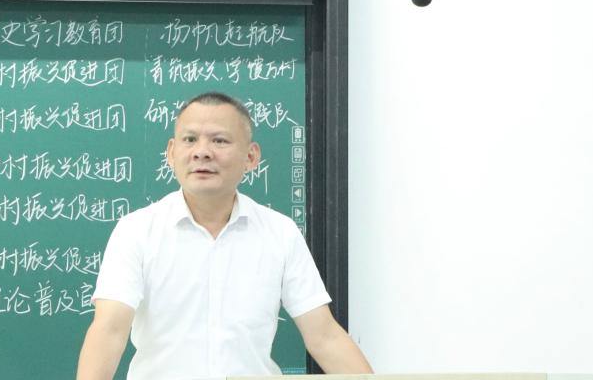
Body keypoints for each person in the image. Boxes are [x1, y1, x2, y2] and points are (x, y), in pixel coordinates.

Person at [76, 91, 373, 380]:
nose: (202, 152)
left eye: (219, 140)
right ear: (171, 153)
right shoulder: (136, 230)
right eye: (189, 139)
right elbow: (109, 330)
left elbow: (324, 335)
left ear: (251, 156)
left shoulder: (280, 232)